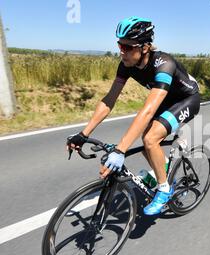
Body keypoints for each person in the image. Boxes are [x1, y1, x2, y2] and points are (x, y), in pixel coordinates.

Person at [66, 17, 201, 216]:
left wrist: (120, 150)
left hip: (187, 99)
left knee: (150, 137)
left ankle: (164, 189)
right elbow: (108, 101)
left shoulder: (164, 64)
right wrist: (83, 133)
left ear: (145, 47)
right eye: (120, 45)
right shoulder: (125, 64)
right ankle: (161, 170)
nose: (122, 51)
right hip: (165, 99)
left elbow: (146, 111)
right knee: (147, 137)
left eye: (128, 47)